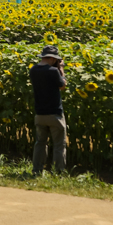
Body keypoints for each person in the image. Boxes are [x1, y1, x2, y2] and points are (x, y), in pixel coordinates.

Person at [30, 45, 68, 175]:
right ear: (52, 58)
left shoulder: (33, 70)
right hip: (54, 113)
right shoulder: (53, 71)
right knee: (59, 145)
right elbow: (62, 86)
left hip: (40, 113)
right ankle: (59, 173)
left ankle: (37, 170)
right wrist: (61, 69)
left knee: (40, 143)